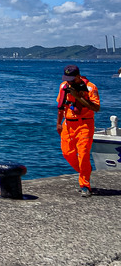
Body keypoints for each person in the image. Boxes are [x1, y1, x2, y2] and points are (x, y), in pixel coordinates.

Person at [56, 64, 100, 197]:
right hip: (68, 124)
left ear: (78, 76)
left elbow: (96, 108)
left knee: (84, 155)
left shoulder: (90, 87)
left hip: (85, 125)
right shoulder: (64, 86)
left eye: (71, 79)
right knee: (67, 153)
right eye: (67, 78)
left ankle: (85, 185)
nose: (69, 81)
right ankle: (85, 170)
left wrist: (78, 97)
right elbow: (61, 106)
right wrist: (58, 123)